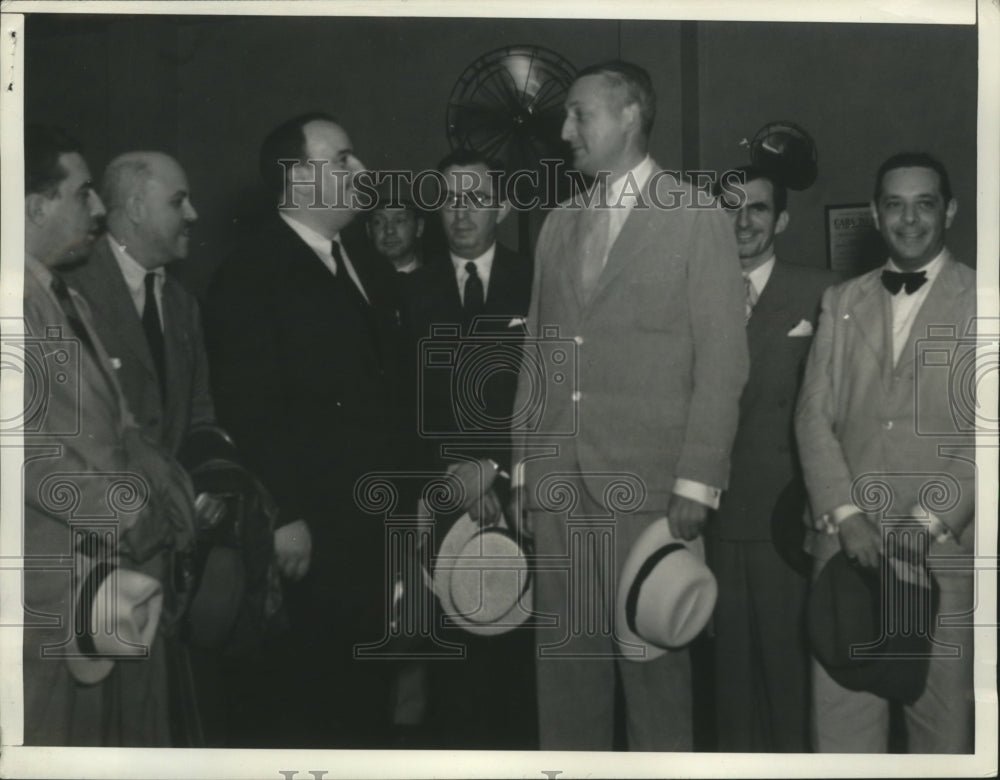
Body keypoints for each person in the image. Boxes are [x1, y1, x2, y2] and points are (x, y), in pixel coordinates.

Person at [507, 61, 749, 750]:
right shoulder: (556, 223)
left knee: (655, 680)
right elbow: (540, 354)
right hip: (557, 490)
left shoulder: (697, 216)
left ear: (631, 116)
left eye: (579, 114)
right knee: (566, 674)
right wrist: (524, 470)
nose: (564, 131)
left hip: (650, 494)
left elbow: (724, 362)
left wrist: (697, 480)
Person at [204, 112, 411, 748]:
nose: (362, 172)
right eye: (343, 159)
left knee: (364, 694)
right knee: (309, 699)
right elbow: (248, 404)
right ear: (297, 177)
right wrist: (286, 512)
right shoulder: (252, 271)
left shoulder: (361, 263)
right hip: (310, 532)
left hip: (368, 525)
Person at [20, 124, 195, 746]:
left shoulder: (63, 297)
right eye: (84, 193)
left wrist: (163, 488)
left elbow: (114, 423)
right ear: (35, 205)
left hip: (100, 589)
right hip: (44, 601)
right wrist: (125, 511)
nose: (98, 210)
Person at [795, 152, 976, 753]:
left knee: (940, 737)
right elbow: (812, 416)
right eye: (894, 205)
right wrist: (847, 516)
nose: (909, 219)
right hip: (849, 555)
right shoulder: (839, 300)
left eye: (924, 203)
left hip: (941, 557)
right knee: (842, 737)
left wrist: (926, 523)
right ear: (875, 215)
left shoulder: (985, 298)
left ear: (947, 210)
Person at [407, 149, 537, 749]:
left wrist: (497, 474)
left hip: (521, 501)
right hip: (441, 500)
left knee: (518, 671)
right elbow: (402, 402)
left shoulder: (536, 281)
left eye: (476, 199)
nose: (461, 212)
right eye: (450, 199)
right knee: (451, 669)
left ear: (503, 208)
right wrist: (455, 476)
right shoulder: (408, 291)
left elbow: (552, 392)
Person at [711, 165, 836, 751]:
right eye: (731, 206)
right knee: (725, 679)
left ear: (781, 219)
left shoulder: (822, 290)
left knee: (788, 674)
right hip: (708, 511)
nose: (742, 221)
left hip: (787, 514)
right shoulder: (692, 290)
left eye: (757, 208)